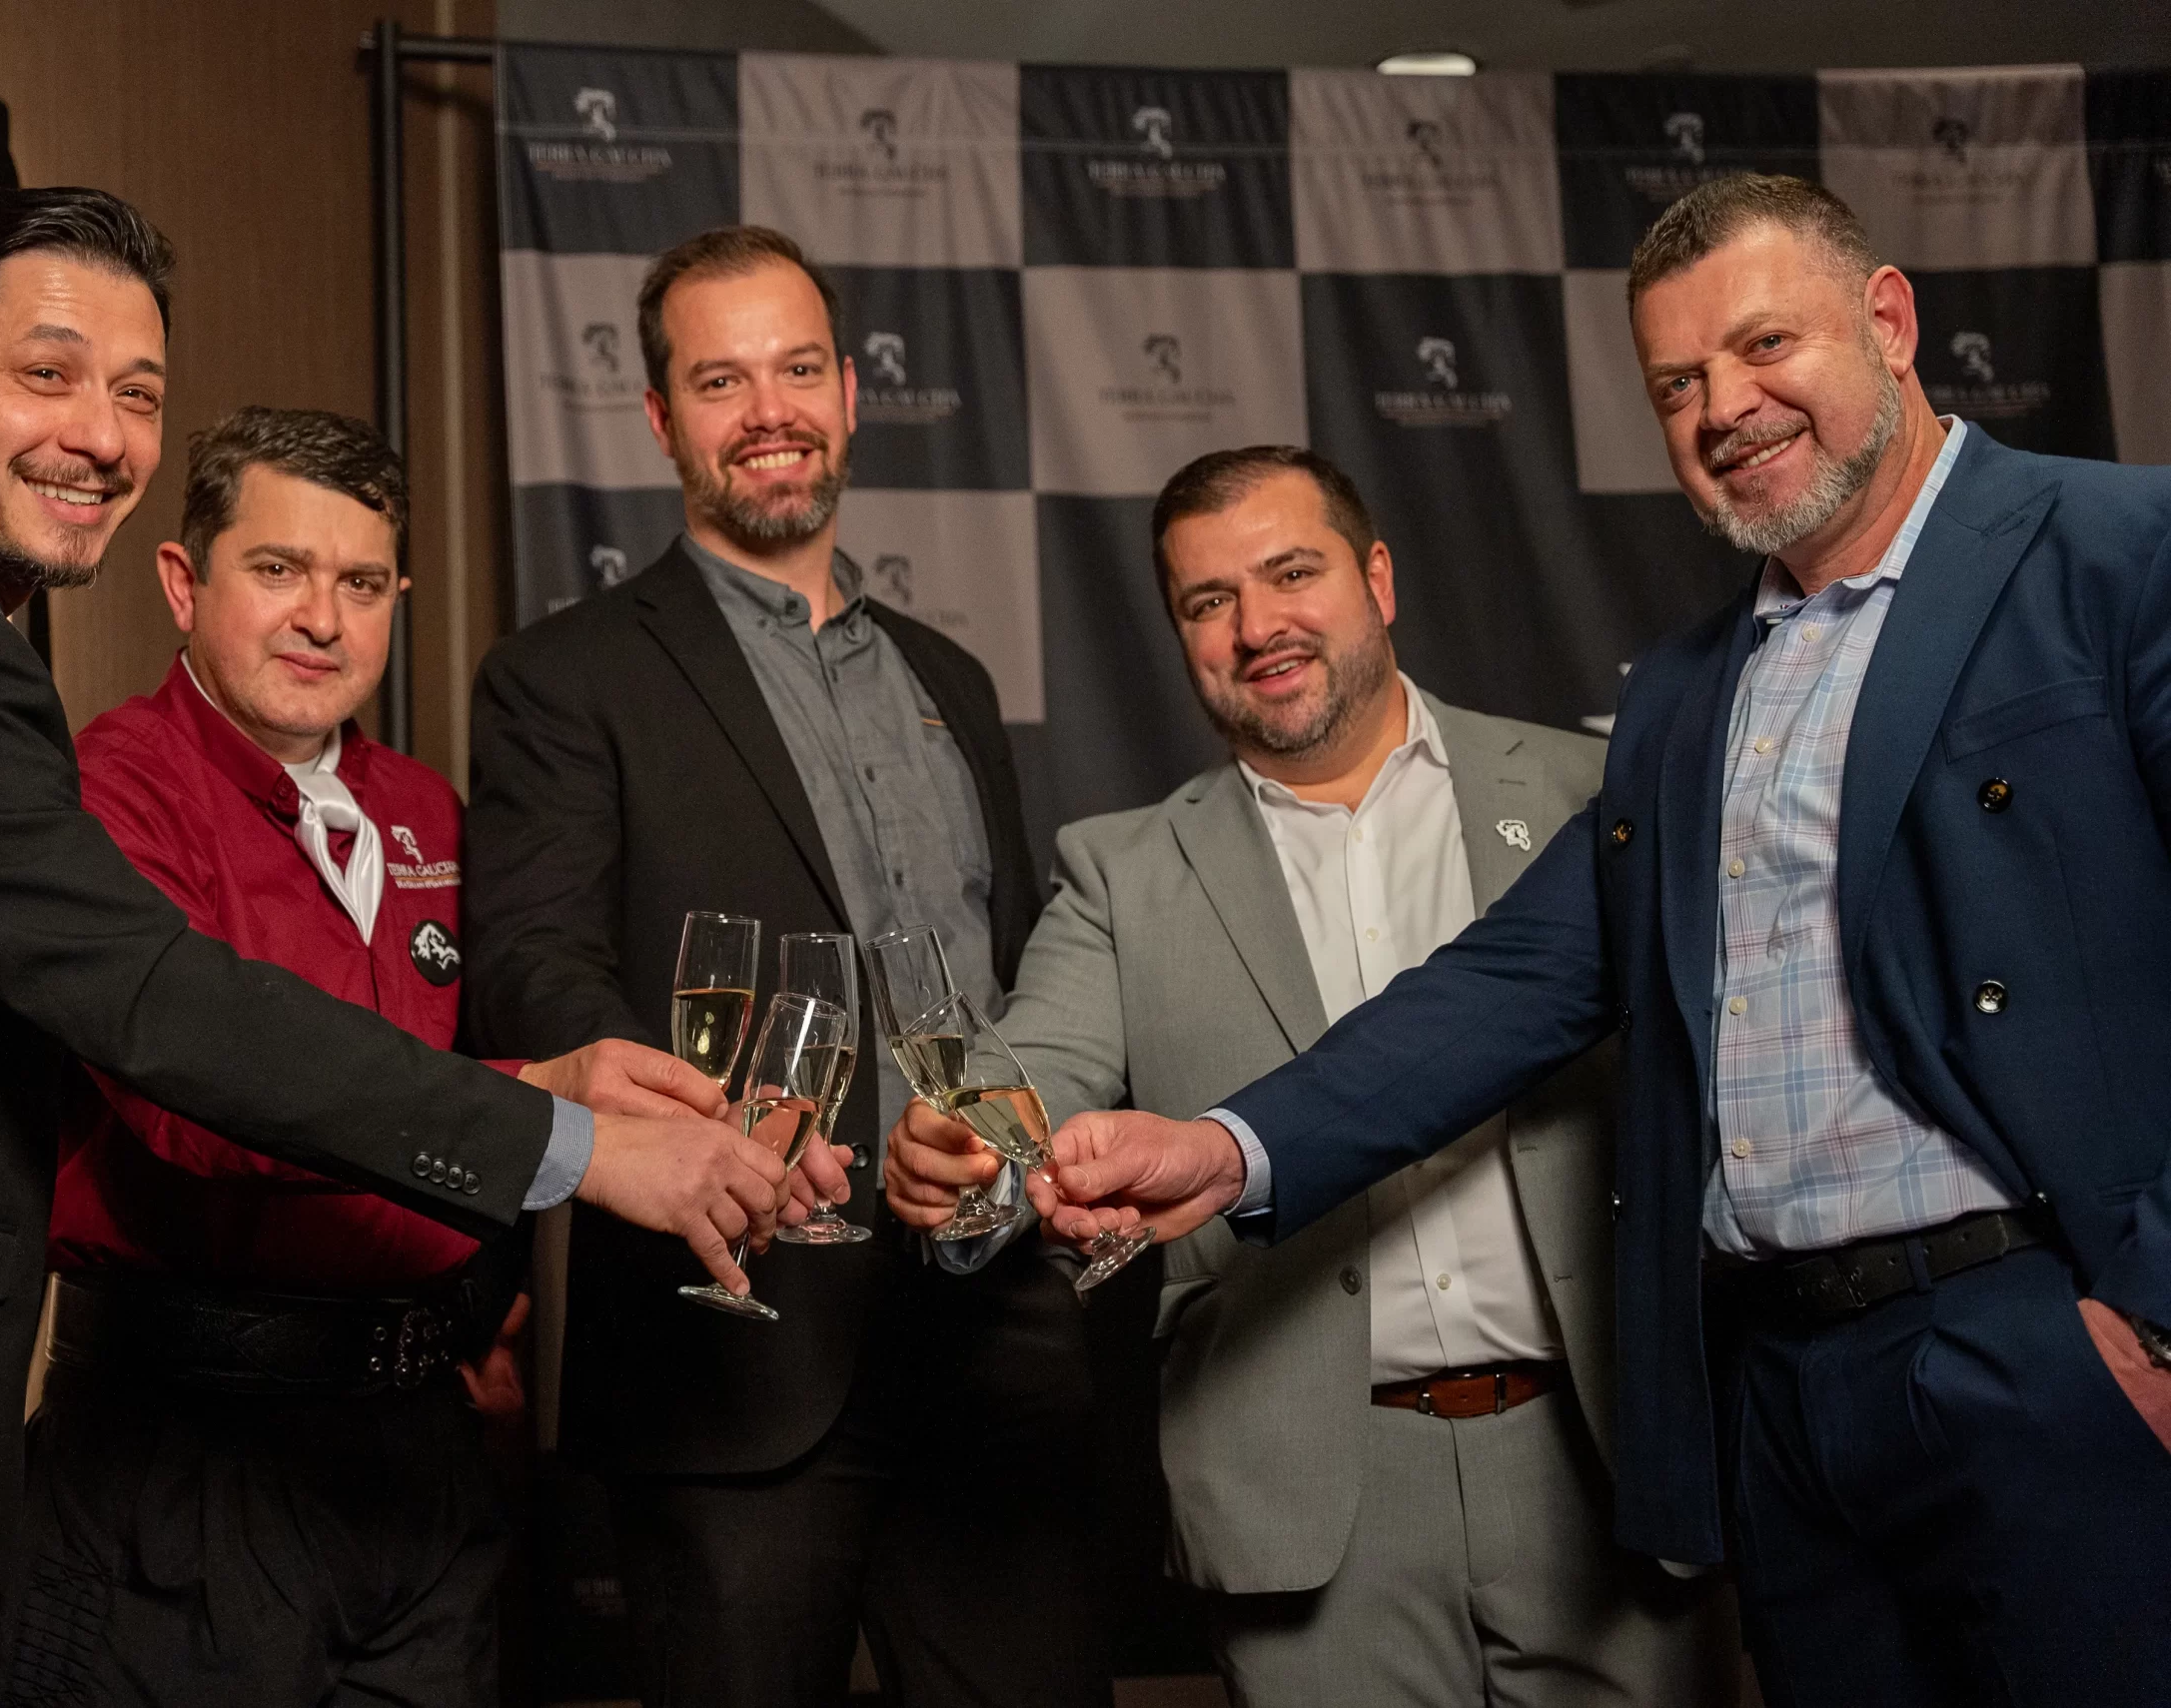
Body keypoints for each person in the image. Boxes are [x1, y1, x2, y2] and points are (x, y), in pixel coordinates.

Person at [0, 188, 785, 1706]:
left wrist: (542, 1079)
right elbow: (153, 1002)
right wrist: (567, 1143)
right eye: (47, 374)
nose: (100, 434)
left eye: (138, 393)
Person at [1037, 174, 2171, 1707]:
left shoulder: (2118, 553)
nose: (1728, 407)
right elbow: (1514, 981)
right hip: (1782, 1397)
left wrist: (2151, 1305)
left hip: (2043, 1352)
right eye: (1678, 383)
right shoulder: (1690, 690)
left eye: (1766, 345)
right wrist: (1231, 1147)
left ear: (1889, 323)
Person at [887, 445, 1736, 1706]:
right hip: (1314, 1504)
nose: (1257, 627)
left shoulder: (1582, 790)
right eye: (1207, 601)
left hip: (1597, 1462)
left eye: (1292, 573)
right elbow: (1035, 1078)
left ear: (1378, 578)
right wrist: (971, 1157)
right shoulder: (1119, 871)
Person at [466, 224, 1108, 1708]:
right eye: (721, 378)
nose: (769, 408)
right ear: (658, 419)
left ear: (851, 393)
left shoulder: (954, 679)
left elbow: (999, 988)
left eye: (800, 368)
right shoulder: (565, 678)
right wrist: (681, 1123)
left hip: (984, 1331)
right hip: (730, 1347)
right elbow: (533, 965)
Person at [0, 407, 690, 1705]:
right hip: (185, 1455)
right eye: (278, 570)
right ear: (183, 583)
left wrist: (482, 1306)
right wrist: (545, 1105)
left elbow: (461, 1065)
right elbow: (198, 1105)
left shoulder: (427, 810)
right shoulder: (105, 790)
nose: (324, 616)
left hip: (419, 1460)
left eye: (361, 582)